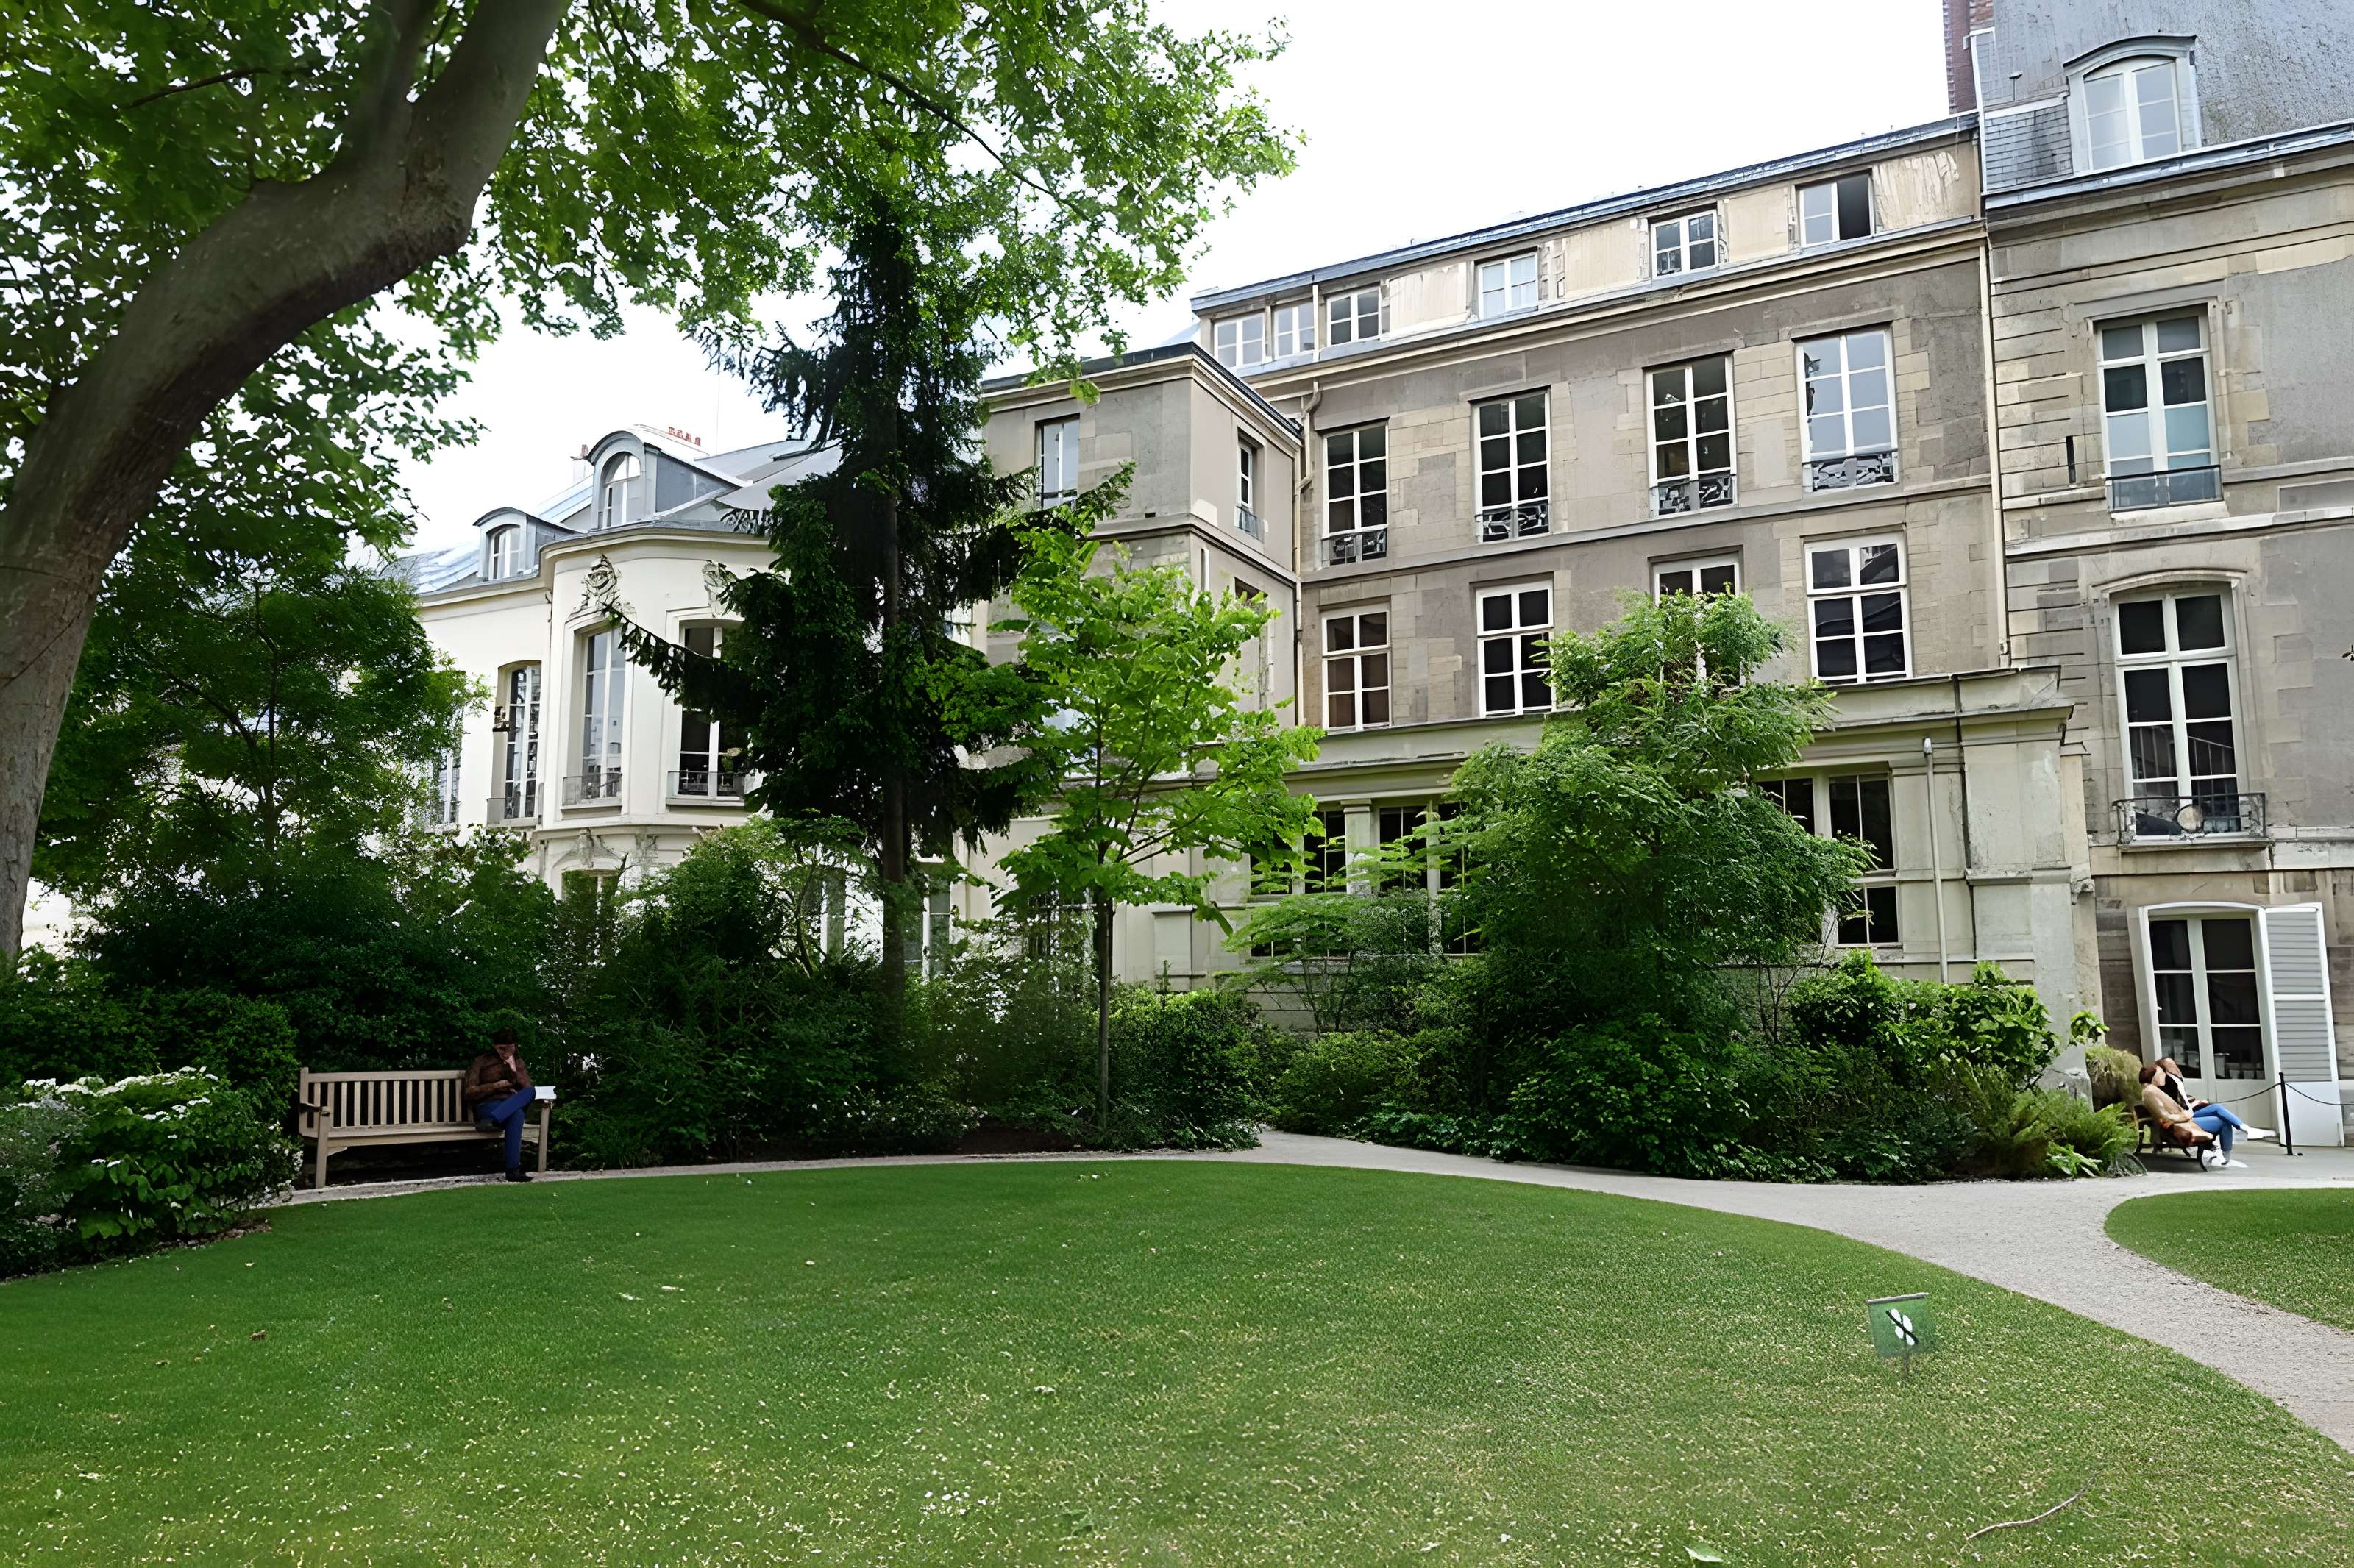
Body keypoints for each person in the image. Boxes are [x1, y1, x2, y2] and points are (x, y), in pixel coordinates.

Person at [464, 1027, 537, 1183]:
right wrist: (495, 1086)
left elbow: (526, 1089)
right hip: (489, 1105)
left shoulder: (518, 1062)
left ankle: (493, 1120)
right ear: (494, 1047)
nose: (506, 1052)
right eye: (501, 1049)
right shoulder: (481, 1061)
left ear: (515, 1046)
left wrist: (513, 1068)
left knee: (530, 1093)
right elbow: (470, 1092)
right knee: (517, 1114)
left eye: (510, 1048)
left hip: (508, 1105)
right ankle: (513, 1170)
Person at [2153, 1056, 2277, 1147]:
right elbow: (2174, 1106)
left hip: (2186, 1113)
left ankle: (2245, 1128)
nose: (2175, 1066)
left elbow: (2180, 1102)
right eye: (2171, 1065)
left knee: (2217, 1108)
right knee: (2223, 1122)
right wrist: (2194, 1104)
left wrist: (2194, 1103)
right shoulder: (2167, 1083)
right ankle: (2226, 1157)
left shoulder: (2175, 1079)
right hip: (2181, 1119)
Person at [2139, 1063, 2236, 1168]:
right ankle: (2226, 1156)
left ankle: (2224, 1154)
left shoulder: (2152, 1090)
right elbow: (2164, 1117)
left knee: (2218, 1113)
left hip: (2182, 1122)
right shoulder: (2151, 1092)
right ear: (2153, 1076)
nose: (2164, 1075)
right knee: (2223, 1122)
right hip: (2179, 1126)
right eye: (2161, 1073)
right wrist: (2185, 1116)